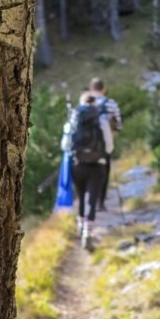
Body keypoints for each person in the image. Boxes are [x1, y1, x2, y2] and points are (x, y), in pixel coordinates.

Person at [61, 92, 114, 250]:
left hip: (77, 164)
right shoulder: (101, 119)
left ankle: (80, 224)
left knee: (81, 195)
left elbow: (64, 145)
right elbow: (109, 147)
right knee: (91, 199)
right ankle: (87, 233)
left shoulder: (74, 118)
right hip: (97, 166)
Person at [88, 77, 122, 211]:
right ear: (104, 89)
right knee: (103, 172)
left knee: (89, 172)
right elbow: (118, 125)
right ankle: (100, 202)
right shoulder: (111, 104)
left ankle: (89, 200)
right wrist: (111, 137)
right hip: (104, 146)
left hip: (86, 146)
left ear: (91, 89)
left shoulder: (86, 103)